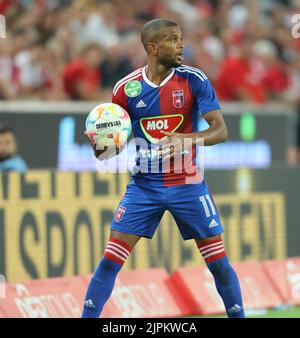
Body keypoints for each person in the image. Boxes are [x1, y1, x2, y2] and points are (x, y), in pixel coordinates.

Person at [82, 18, 245, 318]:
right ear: (153, 47)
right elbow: (109, 151)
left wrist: (187, 140)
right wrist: (100, 144)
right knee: (109, 260)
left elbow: (220, 130)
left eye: (181, 38)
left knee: (218, 263)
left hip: (188, 184)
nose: (181, 44)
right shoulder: (126, 89)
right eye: (173, 39)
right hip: (144, 187)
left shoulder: (194, 79)